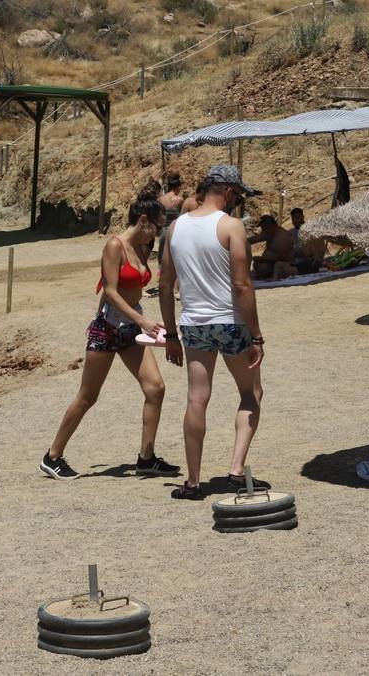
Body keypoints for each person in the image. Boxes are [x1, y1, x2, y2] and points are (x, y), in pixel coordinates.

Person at [40, 185, 180, 481]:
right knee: (88, 396)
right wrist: (142, 321)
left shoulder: (144, 247)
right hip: (107, 328)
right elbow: (111, 292)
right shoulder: (114, 246)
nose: (157, 233)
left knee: (155, 388)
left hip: (131, 328)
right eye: (155, 227)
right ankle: (52, 456)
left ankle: (146, 457)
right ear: (143, 221)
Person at [159, 164, 267, 500]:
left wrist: (172, 335)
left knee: (196, 398)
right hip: (230, 321)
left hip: (192, 323)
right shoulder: (231, 226)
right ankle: (236, 470)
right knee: (251, 394)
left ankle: (192, 482)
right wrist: (257, 335)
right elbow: (241, 284)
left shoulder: (175, 228)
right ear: (230, 192)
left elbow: (165, 285)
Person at [247, 214, 297, 280]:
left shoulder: (282, 236)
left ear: (271, 226)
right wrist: (242, 242)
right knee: (257, 264)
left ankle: (273, 276)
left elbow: (283, 256)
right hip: (270, 263)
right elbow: (255, 239)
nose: (263, 230)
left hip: (284, 264)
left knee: (270, 266)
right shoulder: (268, 233)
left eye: (264, 227)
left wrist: (264, 259)